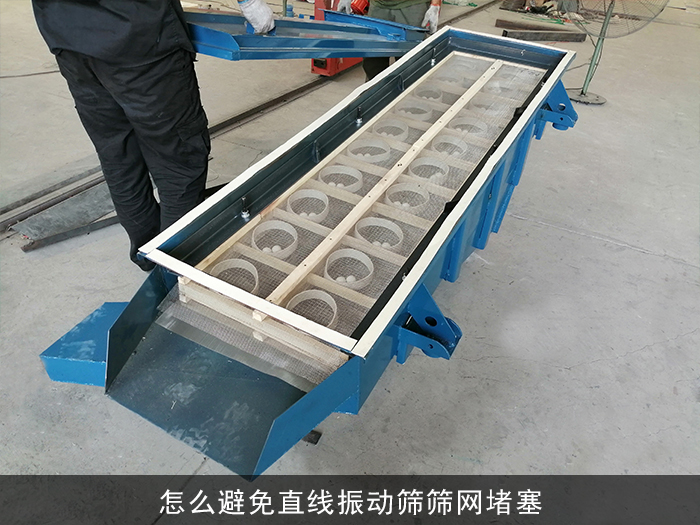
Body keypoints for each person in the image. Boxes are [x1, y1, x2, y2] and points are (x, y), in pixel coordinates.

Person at [31, 0, 275, 271]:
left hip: (69, 38)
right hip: (139, 41)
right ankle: (172, 268)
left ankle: (146, 253)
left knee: (119, 156)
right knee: (178, 162)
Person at [338, 0, 441, 81]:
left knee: (410, 64)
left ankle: (407, 97)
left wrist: (435, 5)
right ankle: (374, 96)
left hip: (412, 6)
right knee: (373, 62)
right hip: (378, 5)